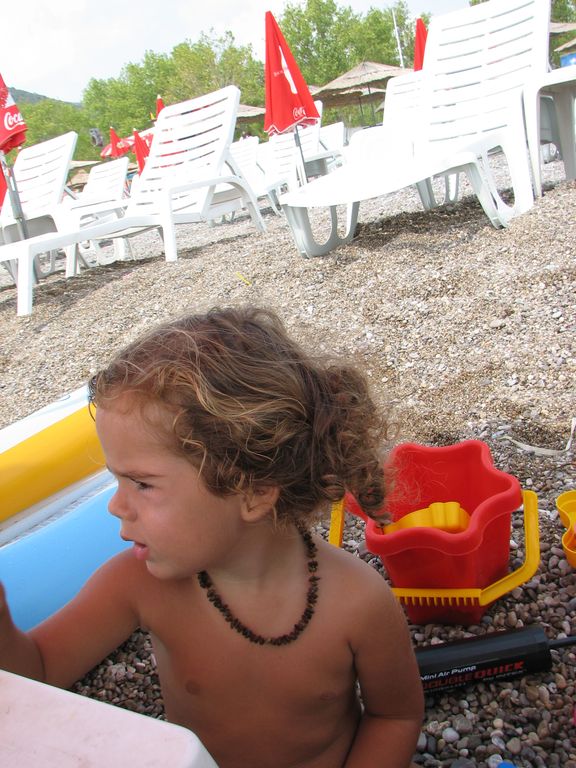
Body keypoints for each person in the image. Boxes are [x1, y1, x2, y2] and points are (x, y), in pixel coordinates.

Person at [0, 307, 424, 768]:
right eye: (116, 481)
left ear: (253, 492)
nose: (116, 506)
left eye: (141, 483)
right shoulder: (137, 585)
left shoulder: (359, 601)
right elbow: (37, 671)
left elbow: (394, 716)